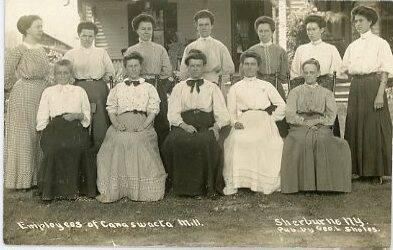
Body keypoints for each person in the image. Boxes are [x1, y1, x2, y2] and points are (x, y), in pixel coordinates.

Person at [96, 52, 166, 203]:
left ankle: (141, 190)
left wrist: (143, 125)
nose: (133, 69)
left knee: (137, 141)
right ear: (125, 68)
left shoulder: (149, 88)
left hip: (142, 121)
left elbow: (153, 110)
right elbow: (112, 109)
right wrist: (116, 124)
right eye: (130, 66)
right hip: (120, 121)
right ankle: (118, 188)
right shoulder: (118, 88)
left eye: (136, 66)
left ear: (141, 67)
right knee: (117, 141)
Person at [163, 50, 230, 198]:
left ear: (203, 67)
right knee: (174, 141)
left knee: (205, 141)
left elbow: (222, 112)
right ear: (187, 67)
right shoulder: (179, 87)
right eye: (192, 65)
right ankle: (181, 187)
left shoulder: (212, 87)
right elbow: (172, 112)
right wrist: (183, 125)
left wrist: (217, 126)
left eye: (198, 66)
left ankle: (206, 186)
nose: (195, 69)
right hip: (184, 123)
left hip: (205, 124)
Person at [281, 59, 352, 193]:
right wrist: (305, 122)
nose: (309, 75)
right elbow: (290, 115)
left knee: (322, 140)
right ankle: (305, 185)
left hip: (321, 124)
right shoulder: (295, 92)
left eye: (312, 72)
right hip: (299, 125)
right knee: (303, 140)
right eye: (306, 72)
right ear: (303, 74)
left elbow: (331, 116)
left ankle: (324, 185)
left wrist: (316, 122)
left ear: (318, 73)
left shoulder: (327, 93)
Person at [342, 6, 393, 183]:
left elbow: (385, 70)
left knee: (373, 127)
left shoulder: (381, 43)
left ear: (370, 21)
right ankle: (357, 169)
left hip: (374, 85)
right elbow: (345, 68)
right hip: (356, 86)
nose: (357, 24)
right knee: (355, 125)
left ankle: (376, 171)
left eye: (361, 20)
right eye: (355, 21)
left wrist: (380, 94)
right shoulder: (352, 46)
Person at [223, 51, 285, 195]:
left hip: (264, 119)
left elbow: (281, 104)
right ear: (242, 66)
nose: (249, 67)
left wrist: (272, 118)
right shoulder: (235, 87)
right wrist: (235, 122)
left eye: (253, 64)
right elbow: (230, 111)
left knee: (263, 141)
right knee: (238, 140)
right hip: (244, 120)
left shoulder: (266, 85)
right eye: (246, 64)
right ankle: (241, 181)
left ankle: (261, 182)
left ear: (258, 67)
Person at [36, 60, 95, 200]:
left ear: (70, 74)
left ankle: (72, 189)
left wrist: (76, 115)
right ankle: (53, 191)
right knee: (54, 148)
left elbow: (86, 115)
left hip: (75, 127)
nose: (62, 76)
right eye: (59, 73)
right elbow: (42, 115)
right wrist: (43, 132)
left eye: (65, 73)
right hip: (55, 128)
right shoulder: (48, 92)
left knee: (74, 146)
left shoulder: (79, 91)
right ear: (55, 75)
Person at [4, 15, 51, 189]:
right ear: (27, 29)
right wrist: (12, 88)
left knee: (39, 132)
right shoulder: (18, 50)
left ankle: (37, 178)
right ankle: (21, 180)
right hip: (23, 94)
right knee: (24, 136)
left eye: (41, 26)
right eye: (38, 26)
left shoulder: (41, 49)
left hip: (41, 93)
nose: (41, 29)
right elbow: (5, 73)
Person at [124, 14, 173, 154]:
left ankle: (162, 156)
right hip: (137, 87)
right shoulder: (131, 50)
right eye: (143, 29)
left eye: (149, 29)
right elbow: (126, 71)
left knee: (161, 120)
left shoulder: (160, 49)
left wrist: (157, 80)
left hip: (157, 85)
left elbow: (167, 70)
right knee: (140, 118)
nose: (146, 31)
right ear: (137, 31)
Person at [63, 21, 115, 151]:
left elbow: (110, 72)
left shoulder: (101, 52)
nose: (87, 39)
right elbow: (64, 72)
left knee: (100, 120)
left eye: (90, 36)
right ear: (79, 35)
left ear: (94, 37)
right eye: (84, 35)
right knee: (80, 117)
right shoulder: (71, 53)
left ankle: (100, 149)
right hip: (78, 88)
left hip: (98, 89)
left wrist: (98, 81)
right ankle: (81, 149)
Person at [290, 14, 344, 137]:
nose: (311, 32)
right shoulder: (301, 49)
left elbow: (337, 72)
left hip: (324, 87)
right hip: (304, 87)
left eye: (314, 29)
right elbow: (295, 73)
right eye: (308, 29)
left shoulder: (330, 49)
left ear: (321, 30)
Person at [179, 9, 235, 84]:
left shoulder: (220, 46)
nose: (204, 28)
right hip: (195, 83)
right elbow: (184, 71)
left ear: (211, 26)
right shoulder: (190, 47)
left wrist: (217, 78)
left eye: (206, 24)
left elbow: (229, 69)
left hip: (214, 83)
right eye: (201, 25)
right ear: (197, 27)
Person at [247, 16, 288, 99]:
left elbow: (284, 73)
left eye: (266, 31)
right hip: (257, 85)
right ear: (257, 32)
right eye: (260, 31)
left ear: (272, 32)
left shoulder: (280, 51)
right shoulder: (251, 51)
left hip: (276, 85)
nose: (263, 34)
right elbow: (245, 71)